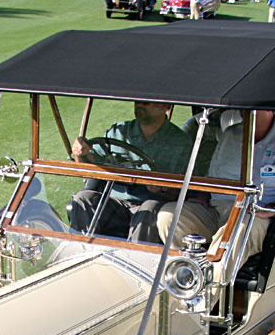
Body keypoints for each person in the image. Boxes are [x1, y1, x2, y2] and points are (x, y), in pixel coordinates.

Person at [156, 109, 275, 257]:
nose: (243, 111)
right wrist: (202, 195)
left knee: (236, 230)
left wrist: (272, 208)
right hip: (219, 208)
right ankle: (184, 274)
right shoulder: (231, 134)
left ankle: (212, 284)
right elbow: (214, 176)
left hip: (257, 215)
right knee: (169, 216)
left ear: (269, 107)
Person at [68, 101, 193, 239]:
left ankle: (137, 258)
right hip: (114, 202)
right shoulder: (118, 132)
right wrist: (80, 153)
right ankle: (80, 251)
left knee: (149, 207)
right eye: (137, 101)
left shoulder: (180, 143)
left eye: (146, 102)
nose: (139, 105)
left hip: (150, 205)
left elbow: (187, 192)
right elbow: (89, 168)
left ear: (164, 106)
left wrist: (163, 189)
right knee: (83, 198)